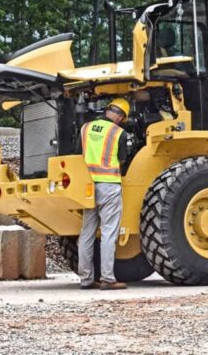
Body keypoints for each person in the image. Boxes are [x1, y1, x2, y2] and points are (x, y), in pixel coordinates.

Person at [78, 98, 130, 290]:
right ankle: (108, 278)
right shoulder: (119, 133)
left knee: (86, 232)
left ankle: (86, 279)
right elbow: (122, 159)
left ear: (108, 110)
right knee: (109, 232)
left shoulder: (85, 128)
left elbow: (78, 154)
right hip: (109, 185)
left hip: (87, 186)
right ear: (121, 117)